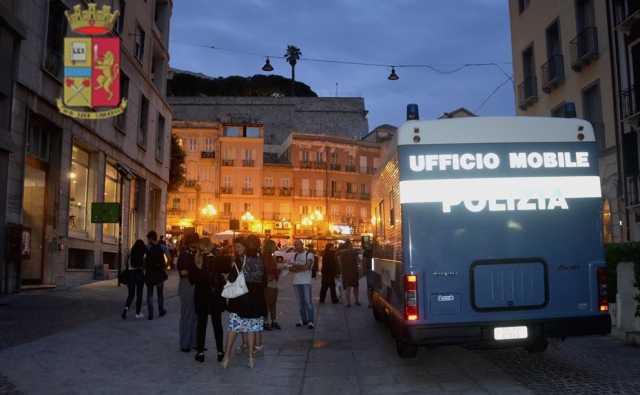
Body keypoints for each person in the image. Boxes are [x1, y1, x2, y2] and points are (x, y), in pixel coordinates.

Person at [222, 237, 265, 369]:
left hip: (241, 300)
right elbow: (264, 280)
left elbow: (231, 278)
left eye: (239, 246)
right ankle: (251, 359)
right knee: (251, 329)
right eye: (236, 247)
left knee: (233, 328)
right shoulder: (260, 260)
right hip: (256, 300)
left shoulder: (240, 261)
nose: (236, 249)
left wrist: (226, 276)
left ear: (245, 247)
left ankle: (226, 357)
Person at [191, 248, 228, 363]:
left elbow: (192, 280)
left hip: (202, 298)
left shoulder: (198, 261)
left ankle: (200, 352)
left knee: (201, 325)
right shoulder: (219, 259)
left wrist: (198, 267)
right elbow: (224, 277)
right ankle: (220, 352)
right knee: (217, 325)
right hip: (215, 297)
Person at [177, 239, 197, 352]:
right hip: (187, 285)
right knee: (187, 315)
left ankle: (194, 342)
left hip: (193, 286)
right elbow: (183, 272)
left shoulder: (196, 254)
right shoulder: (185, 255)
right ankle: (185, 343)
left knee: (195, 315)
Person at [290, 239, 315, 329]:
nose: (296, 247)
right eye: (295, 245)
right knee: (300, 303)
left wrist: (296, 267)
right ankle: (303, 320)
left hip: (306, 282)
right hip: (296, 282)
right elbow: (291, 269)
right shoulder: (295, 255)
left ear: (302, 245)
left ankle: (311, 321)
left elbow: (307, 267)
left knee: (308, 302)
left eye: (297, 245)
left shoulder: (309, 255)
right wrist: (300, 267)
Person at [144, 230, 168, 320]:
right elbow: (168, 257)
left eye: (148, 238)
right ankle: (161, 310)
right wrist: (165, 266)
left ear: (150, 238)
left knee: (149, 294)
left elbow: (144, 259)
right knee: (160, 294)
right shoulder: (162, 247)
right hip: (159, 274)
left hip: (150, 273)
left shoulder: (147, 248)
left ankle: (151, 314)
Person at [121, 239, 146, 320]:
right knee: (139, 294)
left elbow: (125, 263)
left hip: (131, 274)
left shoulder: (130, 253)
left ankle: (125, 310)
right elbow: (144, 265)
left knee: (131, 295)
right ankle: (138, 313)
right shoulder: (142, 254)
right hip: (139, 274)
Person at [263, 235, 281, 330]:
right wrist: (276, 272)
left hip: (273, 282)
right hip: (269, 283)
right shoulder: (266, 257)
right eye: (274, 246)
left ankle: (273, 321)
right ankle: (266, 322)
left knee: (273, 303)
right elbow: (266, 270)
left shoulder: (271, 256)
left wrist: (278, 270)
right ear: (270, 247)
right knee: (268, 303)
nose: (276, 247)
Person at [337, 240, 360, 307]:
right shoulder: (354, 252)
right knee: (355, 287)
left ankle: (348, 303)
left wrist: (341, 270)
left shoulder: (341, 253)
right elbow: (359, 260)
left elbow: (339, 262)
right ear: (350, 245)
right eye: (351, 245)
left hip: (345, 272)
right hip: (354, 272)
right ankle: (356, 301)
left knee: (348, 287)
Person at [362, 243, 374, 308]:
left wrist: (364, 271)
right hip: (375, 271)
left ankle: (370, 303)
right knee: (374, 287)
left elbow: (364, 262)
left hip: (369, 271)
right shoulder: (376, 251)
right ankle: (372, 302)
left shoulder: (366, 252)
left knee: (369, 287)